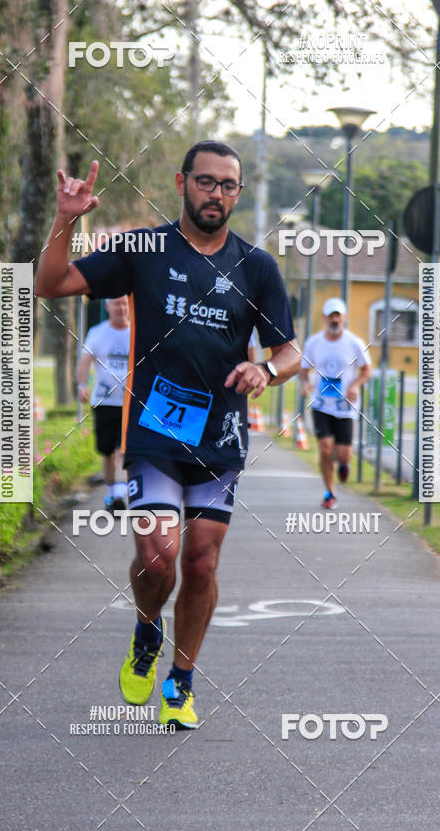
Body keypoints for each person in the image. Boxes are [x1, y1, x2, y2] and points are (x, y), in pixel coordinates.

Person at [34, 141, 300, 729]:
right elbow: (51, 285)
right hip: (154, 431)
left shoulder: (256, 267)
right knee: (159, 559)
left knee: (201, 565)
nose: (217, 194)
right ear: (182, 183)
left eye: (228, 185)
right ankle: (147, 630)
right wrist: (64, 220)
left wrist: (267, 369)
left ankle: (180, 683)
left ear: (238, 192)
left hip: (221, 437)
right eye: (206, 182)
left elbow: (290, 351)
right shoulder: (142, 249)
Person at [299, 297, 371, 509]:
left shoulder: (354, 343)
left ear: (344, 318)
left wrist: (355, 385)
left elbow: (367, 370)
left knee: (342, 453)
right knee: (324, 447)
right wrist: (305, 383)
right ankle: (329, 492)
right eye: (331, 315)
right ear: (324, 318)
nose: (334, 319)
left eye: (338, 315)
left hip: (344, 407)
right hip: (321, 404)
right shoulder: (313, 343)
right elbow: (304, 371)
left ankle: (345, 463)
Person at [75, 296, 131, 511]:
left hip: (129, 402)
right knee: (107, 452)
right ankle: (111, 495)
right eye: (117, 303)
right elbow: (85, 361)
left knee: (122, 450)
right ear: (108, 306)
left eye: (125, 303)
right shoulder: (97, 333)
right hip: (104, 402)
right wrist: (82, 386)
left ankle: (120, 496)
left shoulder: (136, 332)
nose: (121, 308)